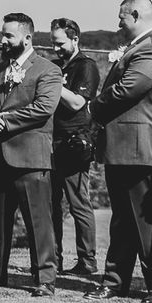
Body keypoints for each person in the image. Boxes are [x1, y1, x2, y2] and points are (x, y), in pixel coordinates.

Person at [89, 0, 152, 303]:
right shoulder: (140, 46)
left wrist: (92, 107)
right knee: (123, 219)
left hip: (141, 146)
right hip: (123, 146)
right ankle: (115, 281)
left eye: (122, 17)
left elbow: (128, 89)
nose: (118, 24)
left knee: (146, 220)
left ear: (136, 15)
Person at [0, 14, 62, 295]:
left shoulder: (48, 70)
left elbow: (44, 108)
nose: (3, 40)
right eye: (2, 34)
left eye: (9, 36)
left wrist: (4, 120)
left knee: (38, 222)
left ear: (27, 38)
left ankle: (44, 279)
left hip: (31, 157)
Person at [48, 18, 100, 277]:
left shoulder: (86, 66)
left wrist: (52, 83)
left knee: (78, 203)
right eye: (53, 44)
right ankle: (52, 259)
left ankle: (87, 261)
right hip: (51, 141)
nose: (56, 49)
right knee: (51, 205)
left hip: (75, 142)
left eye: (60, 44)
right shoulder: (55, 66)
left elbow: (78, 102)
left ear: (75, 39)